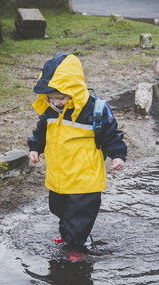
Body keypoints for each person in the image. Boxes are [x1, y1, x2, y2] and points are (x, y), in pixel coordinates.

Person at [28, 52, 127, 250]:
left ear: (73, 90)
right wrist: (35, 148)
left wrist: (117, 155)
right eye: (51, 98)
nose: (56, 103)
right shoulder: (50, 110)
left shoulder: (94, 110)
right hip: (59, 174)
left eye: (61, 98)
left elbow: (111, 133)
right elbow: (41, 131)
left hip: (85, 177)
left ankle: (76, 246)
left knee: (80, 214)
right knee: (57, 208)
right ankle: (70, 234)